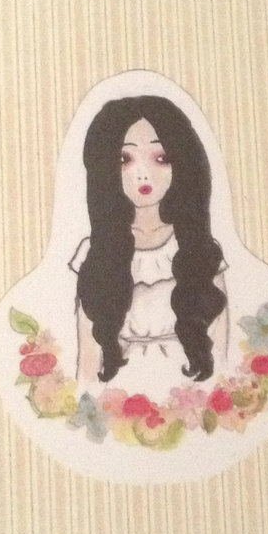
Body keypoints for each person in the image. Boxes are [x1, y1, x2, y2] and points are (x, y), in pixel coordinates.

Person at [70, 95, 228, 394]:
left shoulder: (199, 249)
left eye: (161, 158)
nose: (143, 173)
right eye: (125, 159)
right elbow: (87, 365)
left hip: (192, 394)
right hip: (118, 396)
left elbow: (219, 358)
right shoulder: (95, 252)